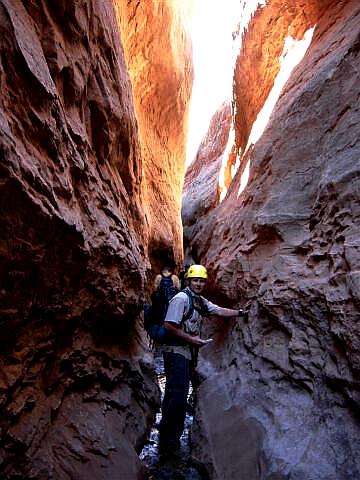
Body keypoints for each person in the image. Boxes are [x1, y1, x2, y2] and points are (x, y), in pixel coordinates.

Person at [158, 264, 246, 454]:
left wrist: (240, 313)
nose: (198, 284)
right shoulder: (181, 299)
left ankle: (168, 440)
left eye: (201, 281)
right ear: (188, 281)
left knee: (176, 396)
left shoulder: (199, 300)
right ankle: (168, 445)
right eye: (195, 280)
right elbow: (168, 325)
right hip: (176, 353)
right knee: (177, 398)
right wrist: (192, 339)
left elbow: (219, 310)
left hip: (187, 353)